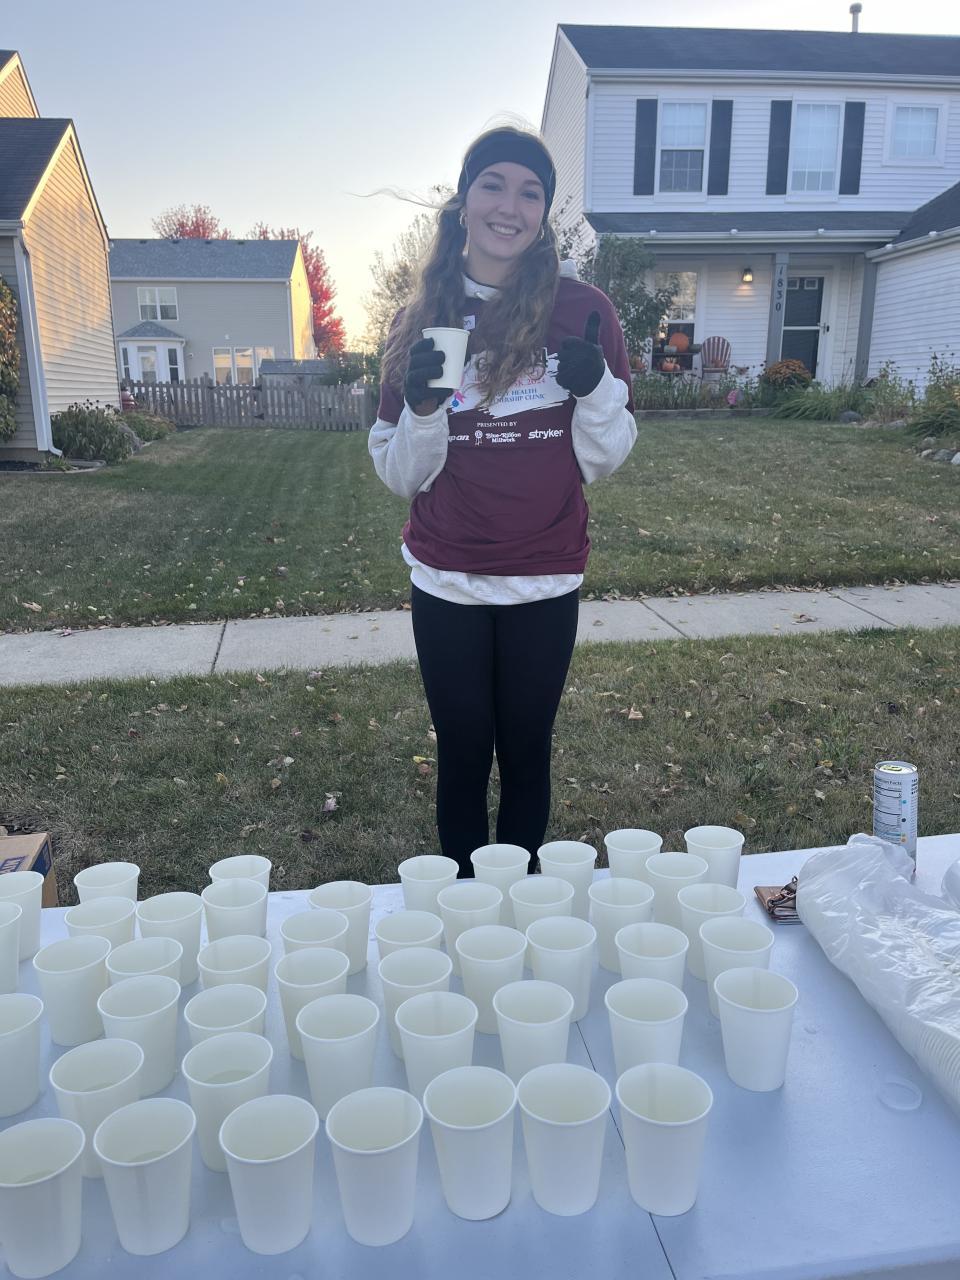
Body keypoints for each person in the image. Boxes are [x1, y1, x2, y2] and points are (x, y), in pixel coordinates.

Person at [369, 125, 637, 878]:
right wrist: (423, 410)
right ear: (464, 199)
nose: (509, 206)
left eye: (530, 192)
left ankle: (521, 907)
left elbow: (603, 458)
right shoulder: (422, 319)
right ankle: (464, 909)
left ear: (544, 211)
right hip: (448, 576)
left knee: (526, 751)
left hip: (544, 574)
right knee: (461, 753)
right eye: (493, 185)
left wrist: (596, 390)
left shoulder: (583, 310)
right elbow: (399, 473)